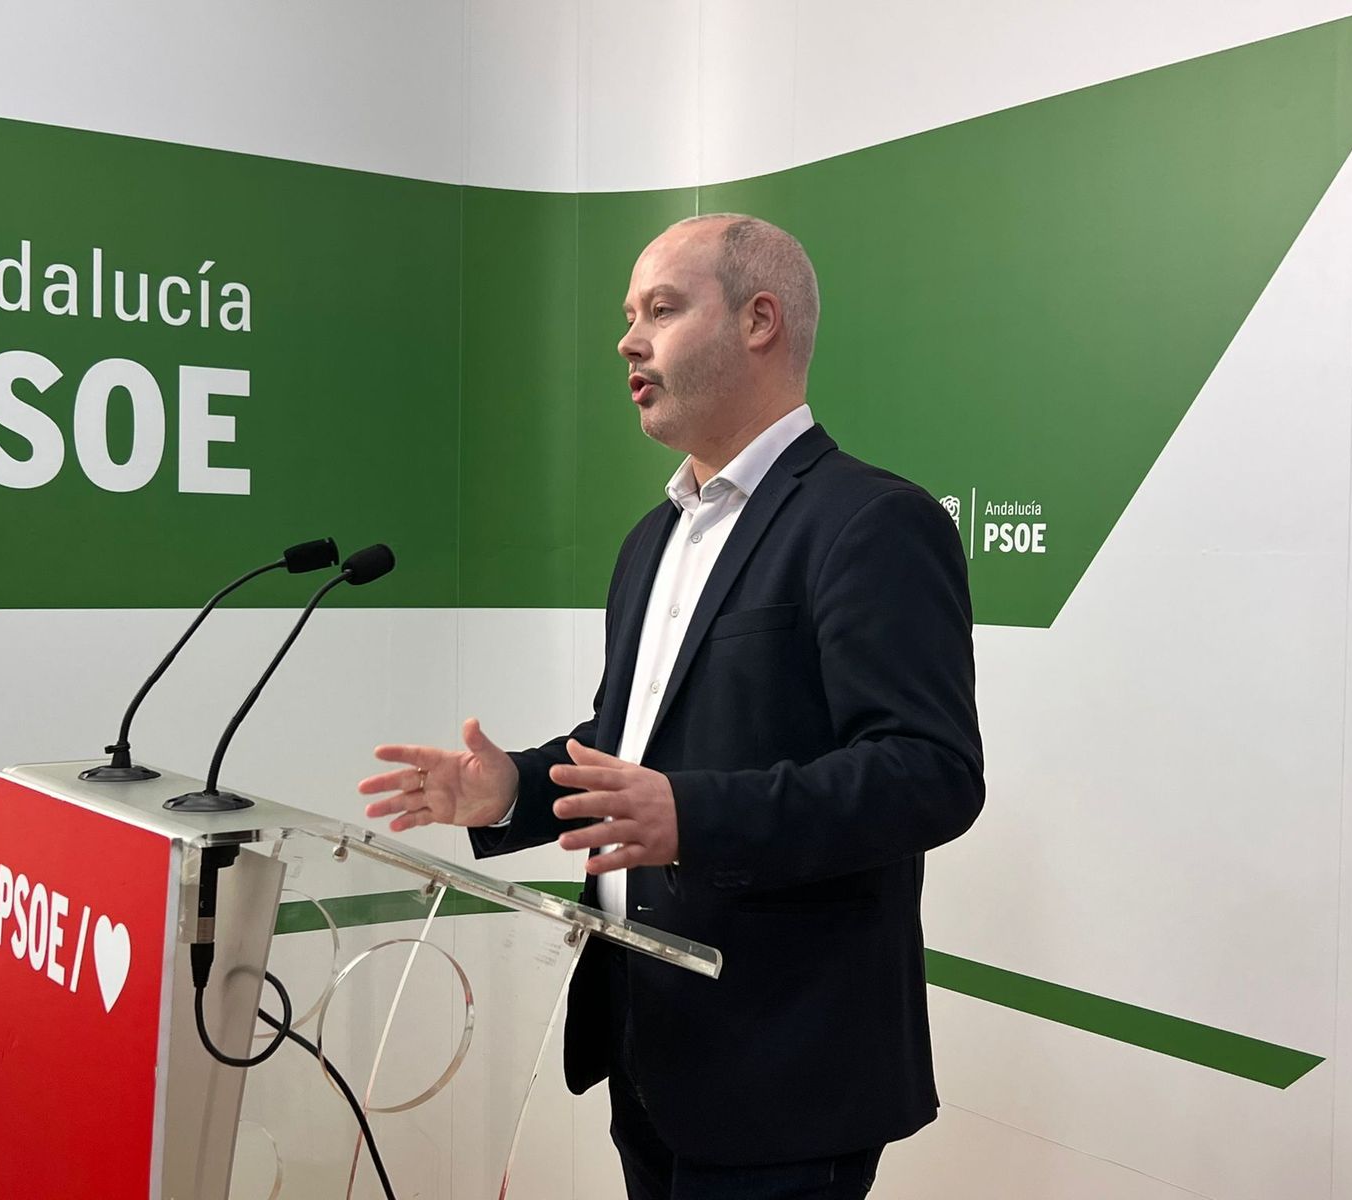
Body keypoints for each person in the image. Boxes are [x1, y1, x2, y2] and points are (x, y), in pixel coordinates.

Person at [359, 214, 984, 1199]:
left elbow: (928, 773)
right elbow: (633, 746)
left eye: (661, 309)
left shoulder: (869, 522)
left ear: (759, 321)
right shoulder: (653, 539)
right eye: (627, 316)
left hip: (785, 1066)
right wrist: (510, 790)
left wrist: (693, 815)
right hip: (649, 1044)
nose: (627, 341)